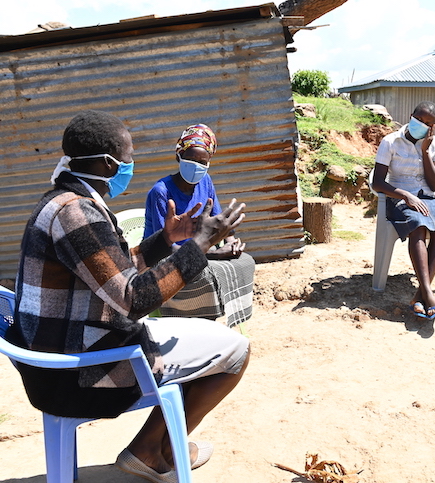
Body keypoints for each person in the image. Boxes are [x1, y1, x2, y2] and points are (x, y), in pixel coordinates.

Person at [5, 110, 250, 481]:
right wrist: (200, 244)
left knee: (196, 344)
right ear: (108, 164)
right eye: (129, 156)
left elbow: (112, 270)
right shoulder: (77, 214)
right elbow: (135, 299)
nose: (131, 164)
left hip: (56, 361)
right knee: (235, 351)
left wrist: (167, 240)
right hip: (76, 376)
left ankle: (160, 447)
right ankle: (153, 449)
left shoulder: (63, 202)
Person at [144, 124, 255, 328]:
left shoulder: (206, 182)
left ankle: (228, 320)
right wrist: (212, 254)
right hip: (167, 259)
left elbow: (220, 221)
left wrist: (232, 243)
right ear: (179, 156)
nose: (197, 166)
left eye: (203, 162)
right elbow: (164, 247)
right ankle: (204, 325)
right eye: (191, 160)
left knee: (246, 261)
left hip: (200, 251)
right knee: (203, 274)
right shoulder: (161, 192)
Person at [372, 101, 435, 319]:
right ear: (411, 116)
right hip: (399, 196)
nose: (422, 125)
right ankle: (428, 294)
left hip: (429, 197)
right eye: (420, 119)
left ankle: (419, 296)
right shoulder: (390, 141)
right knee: (417, 226)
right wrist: (406, 195)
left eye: (428, 123)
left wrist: (425, 152)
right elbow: (377, 182)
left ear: (433, 127)